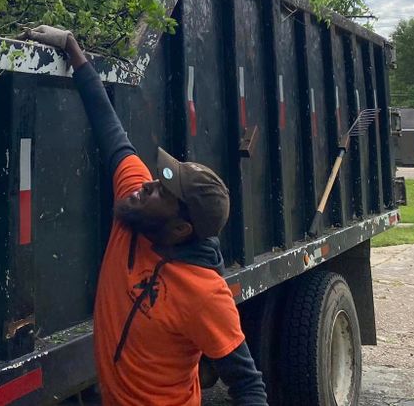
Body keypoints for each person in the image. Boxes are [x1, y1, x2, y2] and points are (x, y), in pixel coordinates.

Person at [22, 25, 267, 406]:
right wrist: (74, 49)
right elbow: (111, 131)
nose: (147, 185)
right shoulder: (135, 211)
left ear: (180, 228)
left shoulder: (203, 294)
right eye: (156, 179)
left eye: (163, 192)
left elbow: (248, 385)